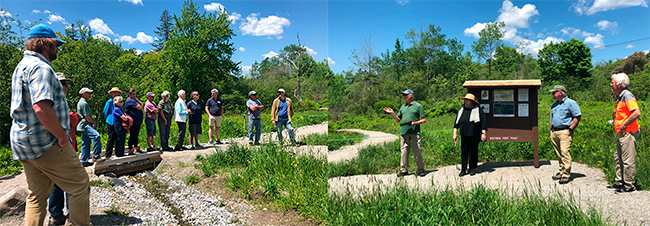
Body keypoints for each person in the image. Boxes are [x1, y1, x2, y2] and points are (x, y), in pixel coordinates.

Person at [10, 23, 90, 226]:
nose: (58, 49)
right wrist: (63, 137)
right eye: (56, 45)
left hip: (23, 142)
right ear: (46, 44)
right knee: (80, 184)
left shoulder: (21, 67)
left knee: (36, 194)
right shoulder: (41, 67)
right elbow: (41, 108)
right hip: (45, 142)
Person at [47, 72, 78, 226]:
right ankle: (74, 218)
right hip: (62, 148)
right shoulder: (58, 101)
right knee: (72, 183)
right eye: (64, 83)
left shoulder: (46, 100)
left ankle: (56, 216)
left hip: (53, 148)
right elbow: (73, 120)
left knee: (56, 183)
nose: (66, 87)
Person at [608, 73, 641, 193]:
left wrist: (623, 125)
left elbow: (636, 113)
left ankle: (629, 185)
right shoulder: (620, 96)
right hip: (621, 133)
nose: (611, 84)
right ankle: (619, 182)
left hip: (628, 132)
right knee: (618, 157)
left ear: (619, 84)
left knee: (627, 160)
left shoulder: (627, 95)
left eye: (612, 82)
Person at [383, 89, 427, 177]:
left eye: (406, 94)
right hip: (404, 132)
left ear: (411, 95)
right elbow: (397, 120)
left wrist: (414, 123)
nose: (404, 96)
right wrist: (392, 113)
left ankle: (421, 170)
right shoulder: (403, 107)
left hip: (415, 131)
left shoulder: (418, 106)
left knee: (417, 150)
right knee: (404, 151)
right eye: (403, 95)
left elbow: (423, 120)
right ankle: (403, 170)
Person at [548, 85, 582, 184]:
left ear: (561, 93)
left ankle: (566, 174)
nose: (552, 94)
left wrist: (570, 129)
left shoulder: (571, 103)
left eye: (554, 92)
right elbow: (551, 117)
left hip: (565, 131)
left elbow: (577, 117)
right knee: (559, 153)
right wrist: (551, 127)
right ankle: (562, 171)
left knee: (564, 152)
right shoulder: (554, 105)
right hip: (554, 132)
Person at [452, 93, 487, 177]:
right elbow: (456, 123)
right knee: (464, 151)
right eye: (465, 100)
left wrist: (483, 133)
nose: (465, 101)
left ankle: (472, 168)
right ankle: (463, 169)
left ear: (472, 102)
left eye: (467, 100)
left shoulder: (478, 110)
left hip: (475, 134)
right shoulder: (461, 110)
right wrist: (455, 133)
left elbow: (483, 122)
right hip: (464, 134)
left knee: (474, 151)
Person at [77, 87, 104, 165]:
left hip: (82, 125)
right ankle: (96, 156)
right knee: (96, 136)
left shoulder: (82, 102)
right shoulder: (84, 103)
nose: (90, 95)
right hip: (85, 124)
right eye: (88, 93)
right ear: (84, 94)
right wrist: (93, 122)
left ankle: (84, 160)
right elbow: (87, 117)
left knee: (85, 142)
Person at [103, 87, 122, 159]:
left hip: (117, 122)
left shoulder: (119, 101)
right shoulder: (109, 102)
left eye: (116, 92)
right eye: (114, 92)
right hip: (110, 122)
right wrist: (108, 118)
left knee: (117, 137)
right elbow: (105, 111)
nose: (115, 94)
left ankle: (117, 153)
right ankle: (108, 155)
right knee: (111, 138)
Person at [125, 88, 144, 154]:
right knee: (132, 136)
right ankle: (130, 149)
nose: (135, 95)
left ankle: (136, 148)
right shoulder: (130, 101)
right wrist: (136, 100)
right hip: (133, 122)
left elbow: (141, 105)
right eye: (133, 94)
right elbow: (140, 107)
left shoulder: (134, 101)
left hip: (137, 121)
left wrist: (136, 99)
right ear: (129, 95)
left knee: (136, 135)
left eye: (135, 94)